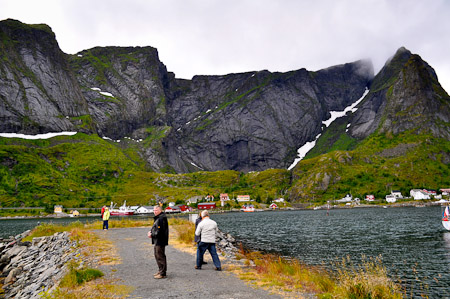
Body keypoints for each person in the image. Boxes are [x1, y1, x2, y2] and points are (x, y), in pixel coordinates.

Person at [147, 206, 169, 279]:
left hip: (160, 240)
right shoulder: (158, 218)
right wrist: (151, 232)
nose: (154, 211)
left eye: (156, 210)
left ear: (160, 210)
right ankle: (160, 270)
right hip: (157, 240)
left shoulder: (161, 218)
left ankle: (163, 273)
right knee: (157, 255)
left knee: (160, 256)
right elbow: (156, 229)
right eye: (154, 210)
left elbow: (160, 231)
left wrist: (152, 234)